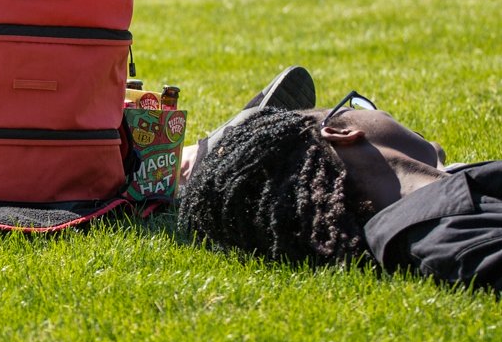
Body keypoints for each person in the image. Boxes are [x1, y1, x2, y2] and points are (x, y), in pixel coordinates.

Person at [177, 66, 502, 293]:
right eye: (357, 106)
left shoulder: (437, 195)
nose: (381, 111)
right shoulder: (447, 238)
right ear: (340, 132)